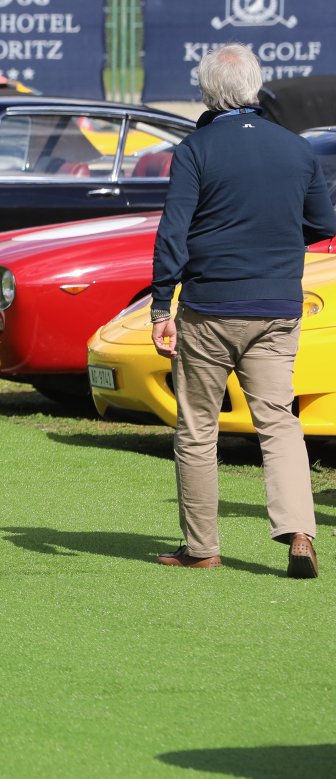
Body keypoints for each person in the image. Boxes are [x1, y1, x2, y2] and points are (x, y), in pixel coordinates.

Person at [150, 43, 336, 578]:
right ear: (255, 86)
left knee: (197, 429)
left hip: (210, 307)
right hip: (277, 306)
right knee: (279, 422)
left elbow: (173, 233)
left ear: (206, 91)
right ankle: (299, 532)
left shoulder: (196, 148)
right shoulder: (295, 148)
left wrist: (161, 307)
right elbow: (324, 224)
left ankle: (202, 547)